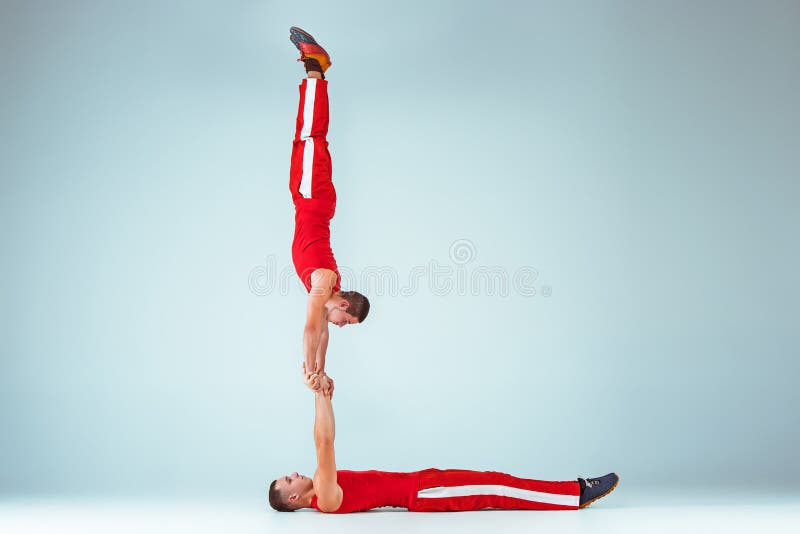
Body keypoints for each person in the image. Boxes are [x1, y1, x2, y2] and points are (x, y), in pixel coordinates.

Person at [267, 368, 619, 513]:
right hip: (421, 493)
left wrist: (325, 394)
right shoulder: (325, 497)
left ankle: (570, 493)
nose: (294, 473)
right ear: (294, 497)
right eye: (288, 479)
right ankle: (575, 493)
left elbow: (324, 441)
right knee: (496, 487)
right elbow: (324, 443)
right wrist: (318, 395)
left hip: (422, 483)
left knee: (496, 481)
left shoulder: (323, 491)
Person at [287, 27, 370, 391]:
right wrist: (308, 371)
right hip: (312, 197)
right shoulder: (323, 283)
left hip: (314, 199)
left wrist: (321, 371)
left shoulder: (327, 290)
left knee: (311, 137)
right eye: (345, 321)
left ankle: (315, 70)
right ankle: (314, 69)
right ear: (344, 305)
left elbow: (321, 333)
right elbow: (311, 328)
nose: (338, 325)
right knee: (309, 136)